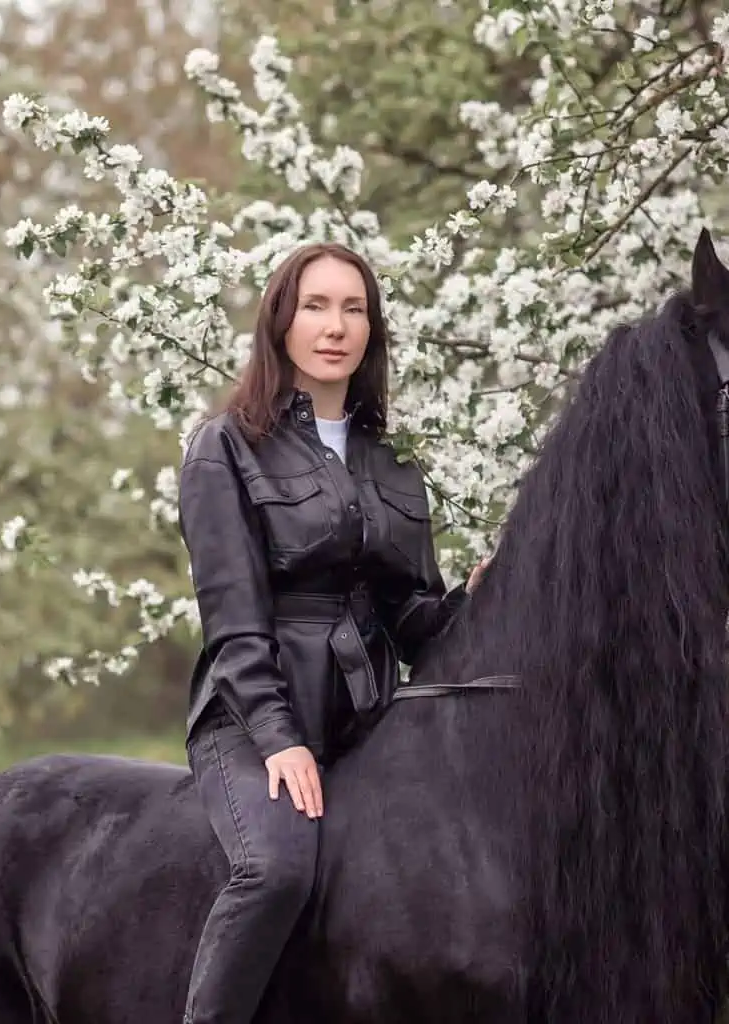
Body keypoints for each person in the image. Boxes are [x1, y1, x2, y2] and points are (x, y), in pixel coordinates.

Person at [176, 241, 488, 1024]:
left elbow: (415, 622)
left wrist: (482, 597)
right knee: (274, 871)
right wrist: (280, 740)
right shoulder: (225, 446)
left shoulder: (392, 459)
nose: (335, 325)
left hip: (373, 723)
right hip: (252, 724)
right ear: (280, 321)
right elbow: (234, 621)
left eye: (354, 309)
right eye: (315, 305)